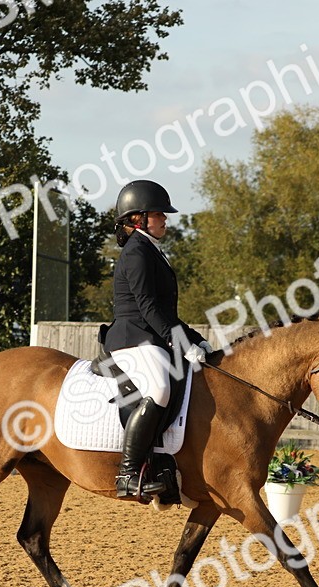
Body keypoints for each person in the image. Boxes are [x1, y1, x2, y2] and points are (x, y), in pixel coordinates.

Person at [103, 179, 213, 499]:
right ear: (138, 218)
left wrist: (195, 339)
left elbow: (165, 312)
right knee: (160, 387)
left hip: (150, 337)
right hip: (132, 338)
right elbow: (149, 308)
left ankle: (163, 463)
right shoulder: (137, 252)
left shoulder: (150, 249)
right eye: (159, 214)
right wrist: (180, 342)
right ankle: (127, 473)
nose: (165, 219)